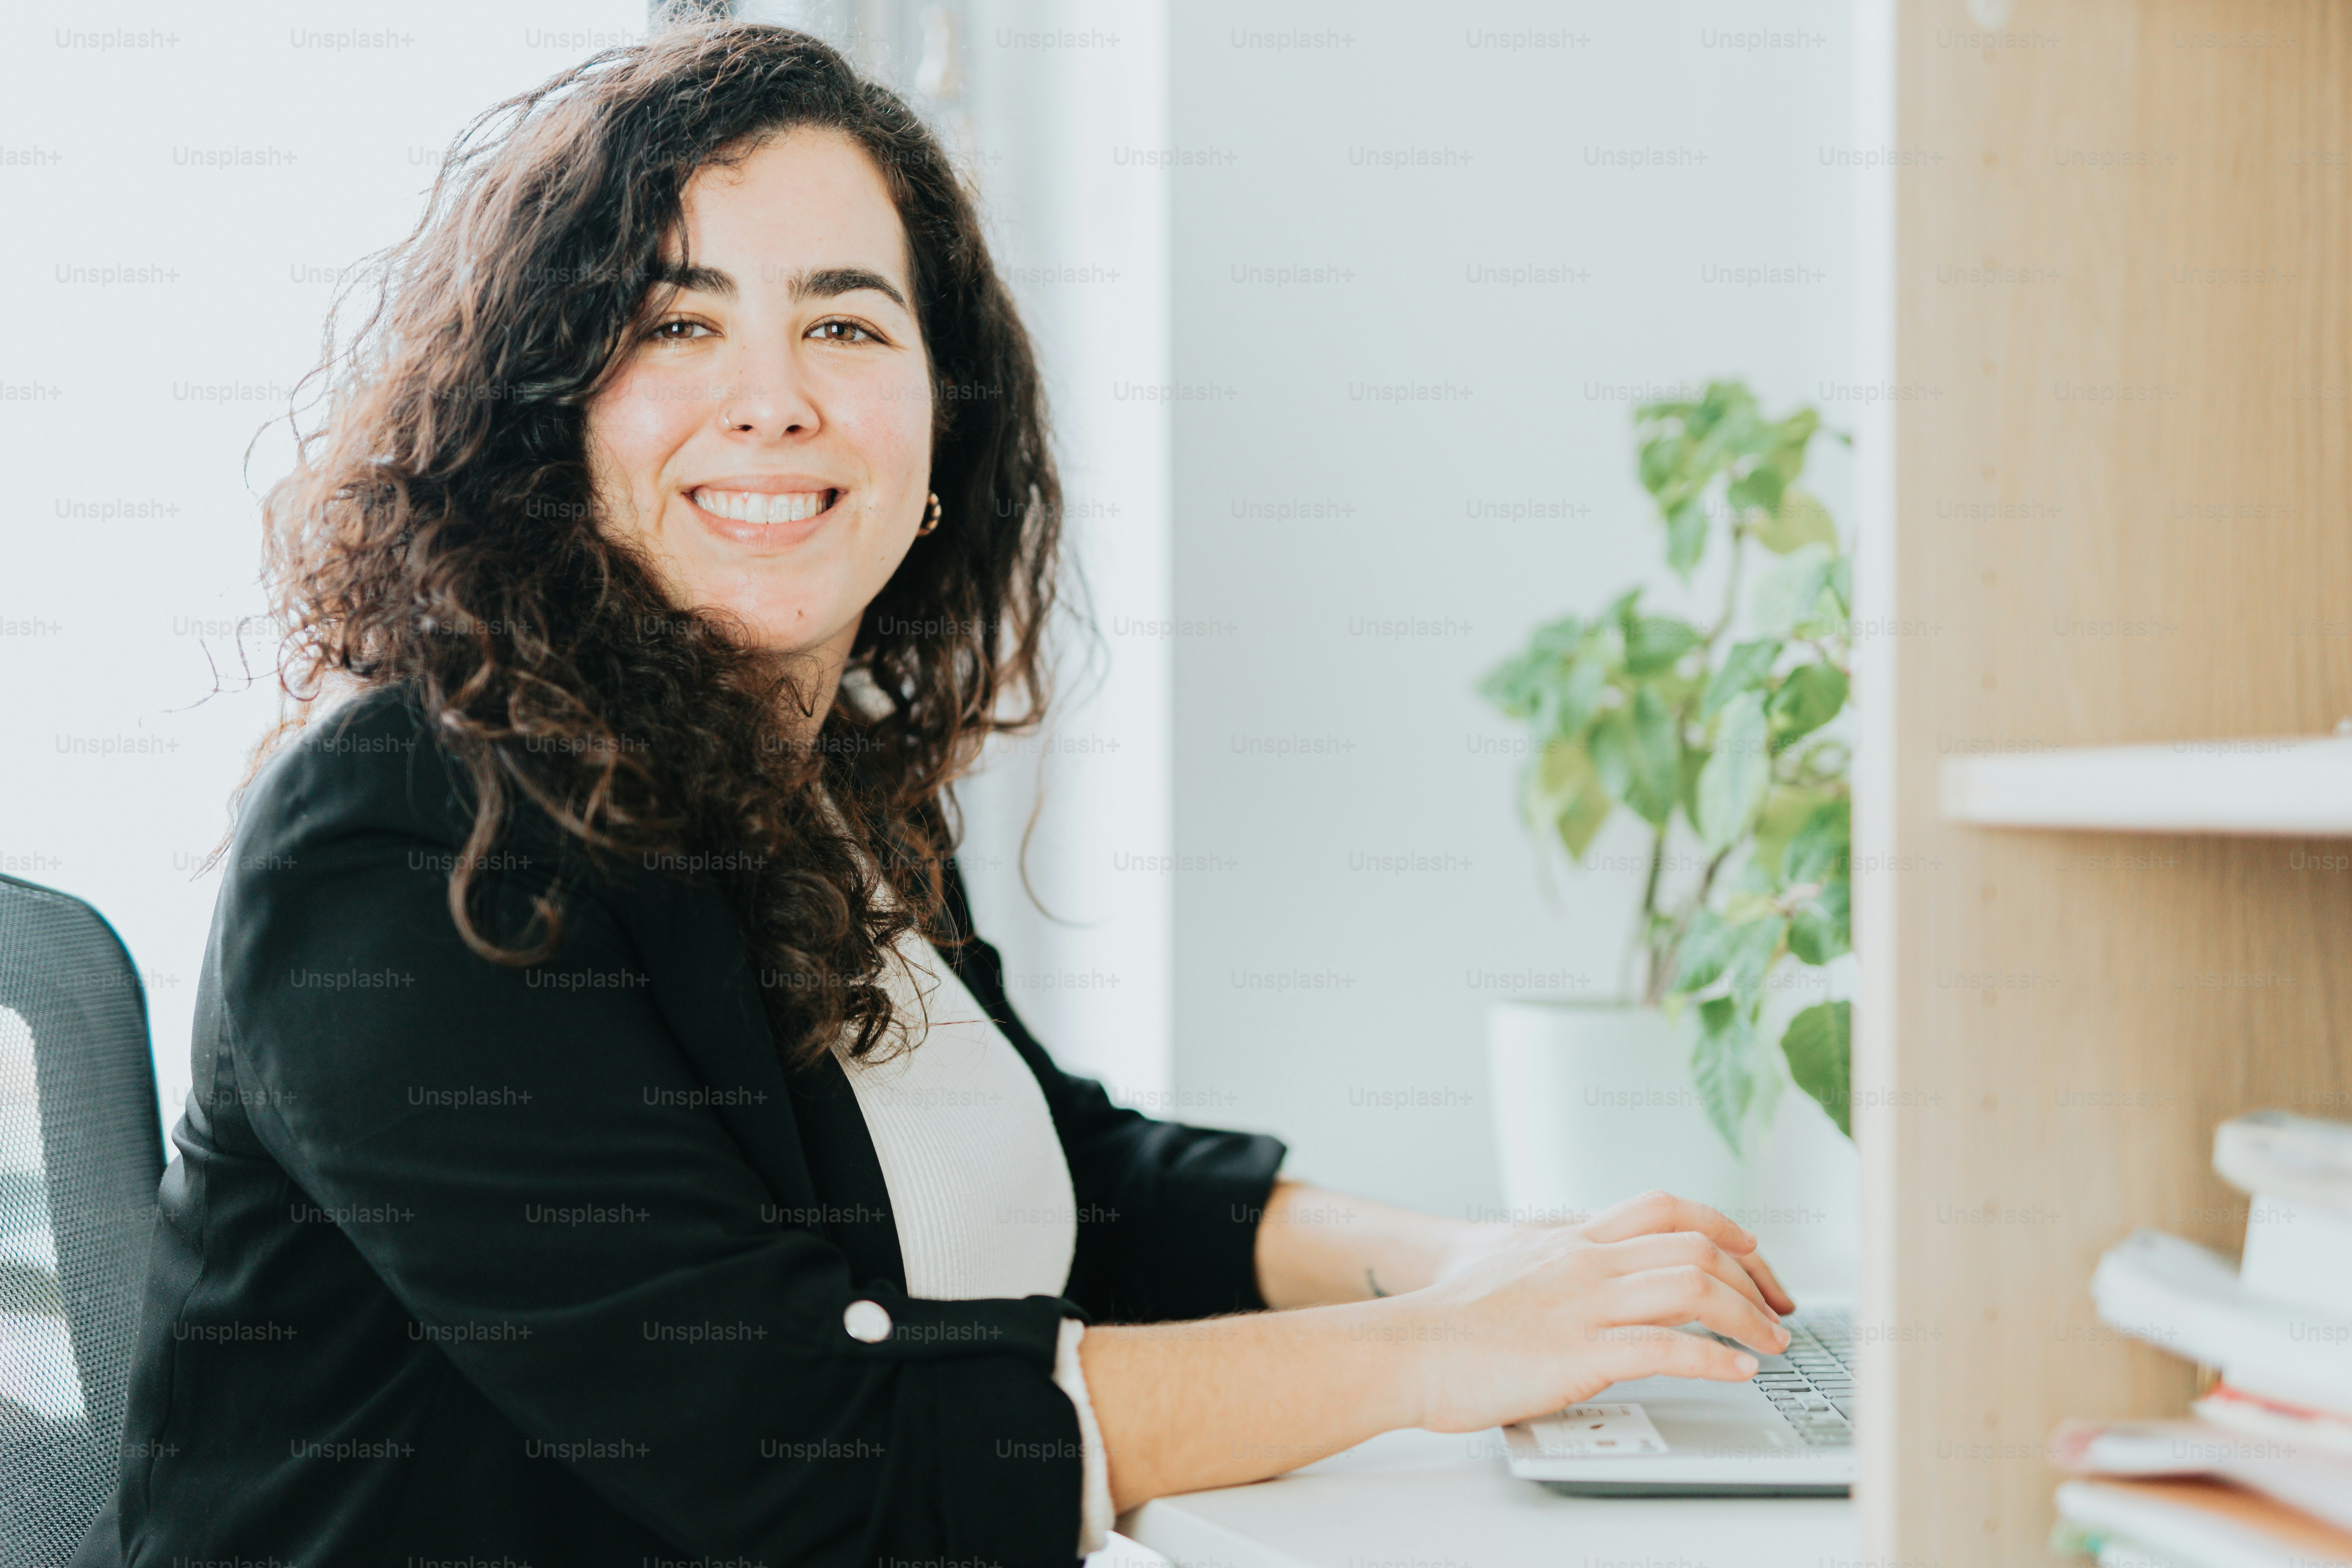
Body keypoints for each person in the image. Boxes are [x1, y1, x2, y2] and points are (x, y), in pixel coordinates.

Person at [106, 21, 1794, 1568]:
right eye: (675, 324)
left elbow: (1075, 1181)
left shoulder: (821, 786)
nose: (772, 394)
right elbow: (794, 1438)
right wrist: (1445, 1348)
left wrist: (1485, 1260)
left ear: (935, 441)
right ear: (552, 419)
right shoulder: (408, 828)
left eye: (844, 320)